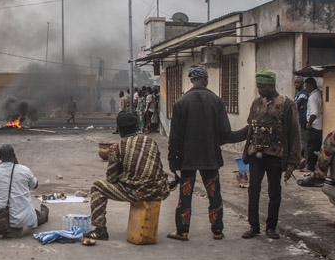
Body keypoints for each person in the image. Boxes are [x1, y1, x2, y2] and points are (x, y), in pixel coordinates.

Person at [166, 65, 234, 241]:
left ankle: (182, 231)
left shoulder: (181, 103)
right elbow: (225, 133)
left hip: (187, 157)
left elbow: (174, 136)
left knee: (185, 194)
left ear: (191, 80)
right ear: (205, 79)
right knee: (214, 194)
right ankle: (217, 231)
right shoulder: (216, 101)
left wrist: (172, 160)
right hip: (210, 156)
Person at [231, 70, 301, 240]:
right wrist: (229, 136)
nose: (259, 90)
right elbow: (250, 128)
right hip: (256, 155)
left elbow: (294, 134)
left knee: (274, 192)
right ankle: (253, 226)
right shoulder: (256, 103)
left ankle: (271, 227)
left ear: (271, 86)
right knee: (253, 189)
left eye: (262, 87)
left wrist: (292, 161)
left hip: (275, 156)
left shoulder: (287, 105)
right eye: (258, 87)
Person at [82, 112, 170, 242]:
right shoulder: (150, 141)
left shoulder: (117, 147)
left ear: (120, 130)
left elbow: (111, 178)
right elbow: (158, 167)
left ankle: (100, 229)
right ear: (136, 127)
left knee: (97, 187)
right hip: (159, 190)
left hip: (136, 192)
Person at [0, 144, 48, 238]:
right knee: (40, 216)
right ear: (14, 156)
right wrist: (17, 165)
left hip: (0, 215)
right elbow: (35, 185)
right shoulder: (24, 170)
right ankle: (44, 212)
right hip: (24, 216)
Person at [304, 77, 323, 172]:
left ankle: (310, 167)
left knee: (311, 148)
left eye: (306, 86)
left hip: (314, 126)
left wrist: (309, 124)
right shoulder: (318, 94)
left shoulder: (313, 97)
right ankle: (314, 166)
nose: (306, 88)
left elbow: (314, 113)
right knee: (316, 148)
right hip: (319, 126)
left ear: (311, 85)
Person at [293, 75, 308, 150]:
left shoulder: (304, 94)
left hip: (302, 120)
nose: (296, 84)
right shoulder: (298, 94)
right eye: (295, 83)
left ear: (302, 83)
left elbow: (296, 105)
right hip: (298, 119)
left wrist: (297, 106)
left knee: (302, 141)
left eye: (298, 83)